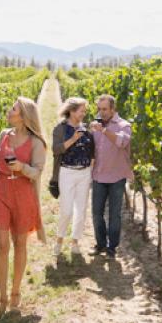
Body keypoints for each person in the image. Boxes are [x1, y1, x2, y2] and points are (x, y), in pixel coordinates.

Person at [0, 96, 47, 314]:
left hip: (24, 194)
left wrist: (22, 167)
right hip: (2, 190)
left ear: (23, 115)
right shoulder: (4, 135)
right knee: (2, 245)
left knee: (20, 244)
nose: (9, 110)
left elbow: (37, 172)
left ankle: (16, 292)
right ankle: (2, 296)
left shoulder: (36, 142)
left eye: (13, 108)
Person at [89, 94, 132, 259]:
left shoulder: (123, 125)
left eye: (105, 109)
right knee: (96, 213)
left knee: (115, 215)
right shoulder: (96, 125)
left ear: (113, 109)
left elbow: (121, 142)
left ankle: (112, 248)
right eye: (99, 109)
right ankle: (100, 244)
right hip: (99, 176)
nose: (101, 112)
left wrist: (104, 131)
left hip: (116, 177)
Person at [51, 97, 95, 257]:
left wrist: (91, 166)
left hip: (84, 172)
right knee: (67, 210)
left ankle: (75, 241)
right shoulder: (60, 129)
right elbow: (56, 150)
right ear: (72, 111)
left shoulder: (86, 128)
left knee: (81, 209)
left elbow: (91, 150)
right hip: (67, 172)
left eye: (85, 111)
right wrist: (73, 139)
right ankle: (59, 239)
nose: (84, 113)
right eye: (81, 110)